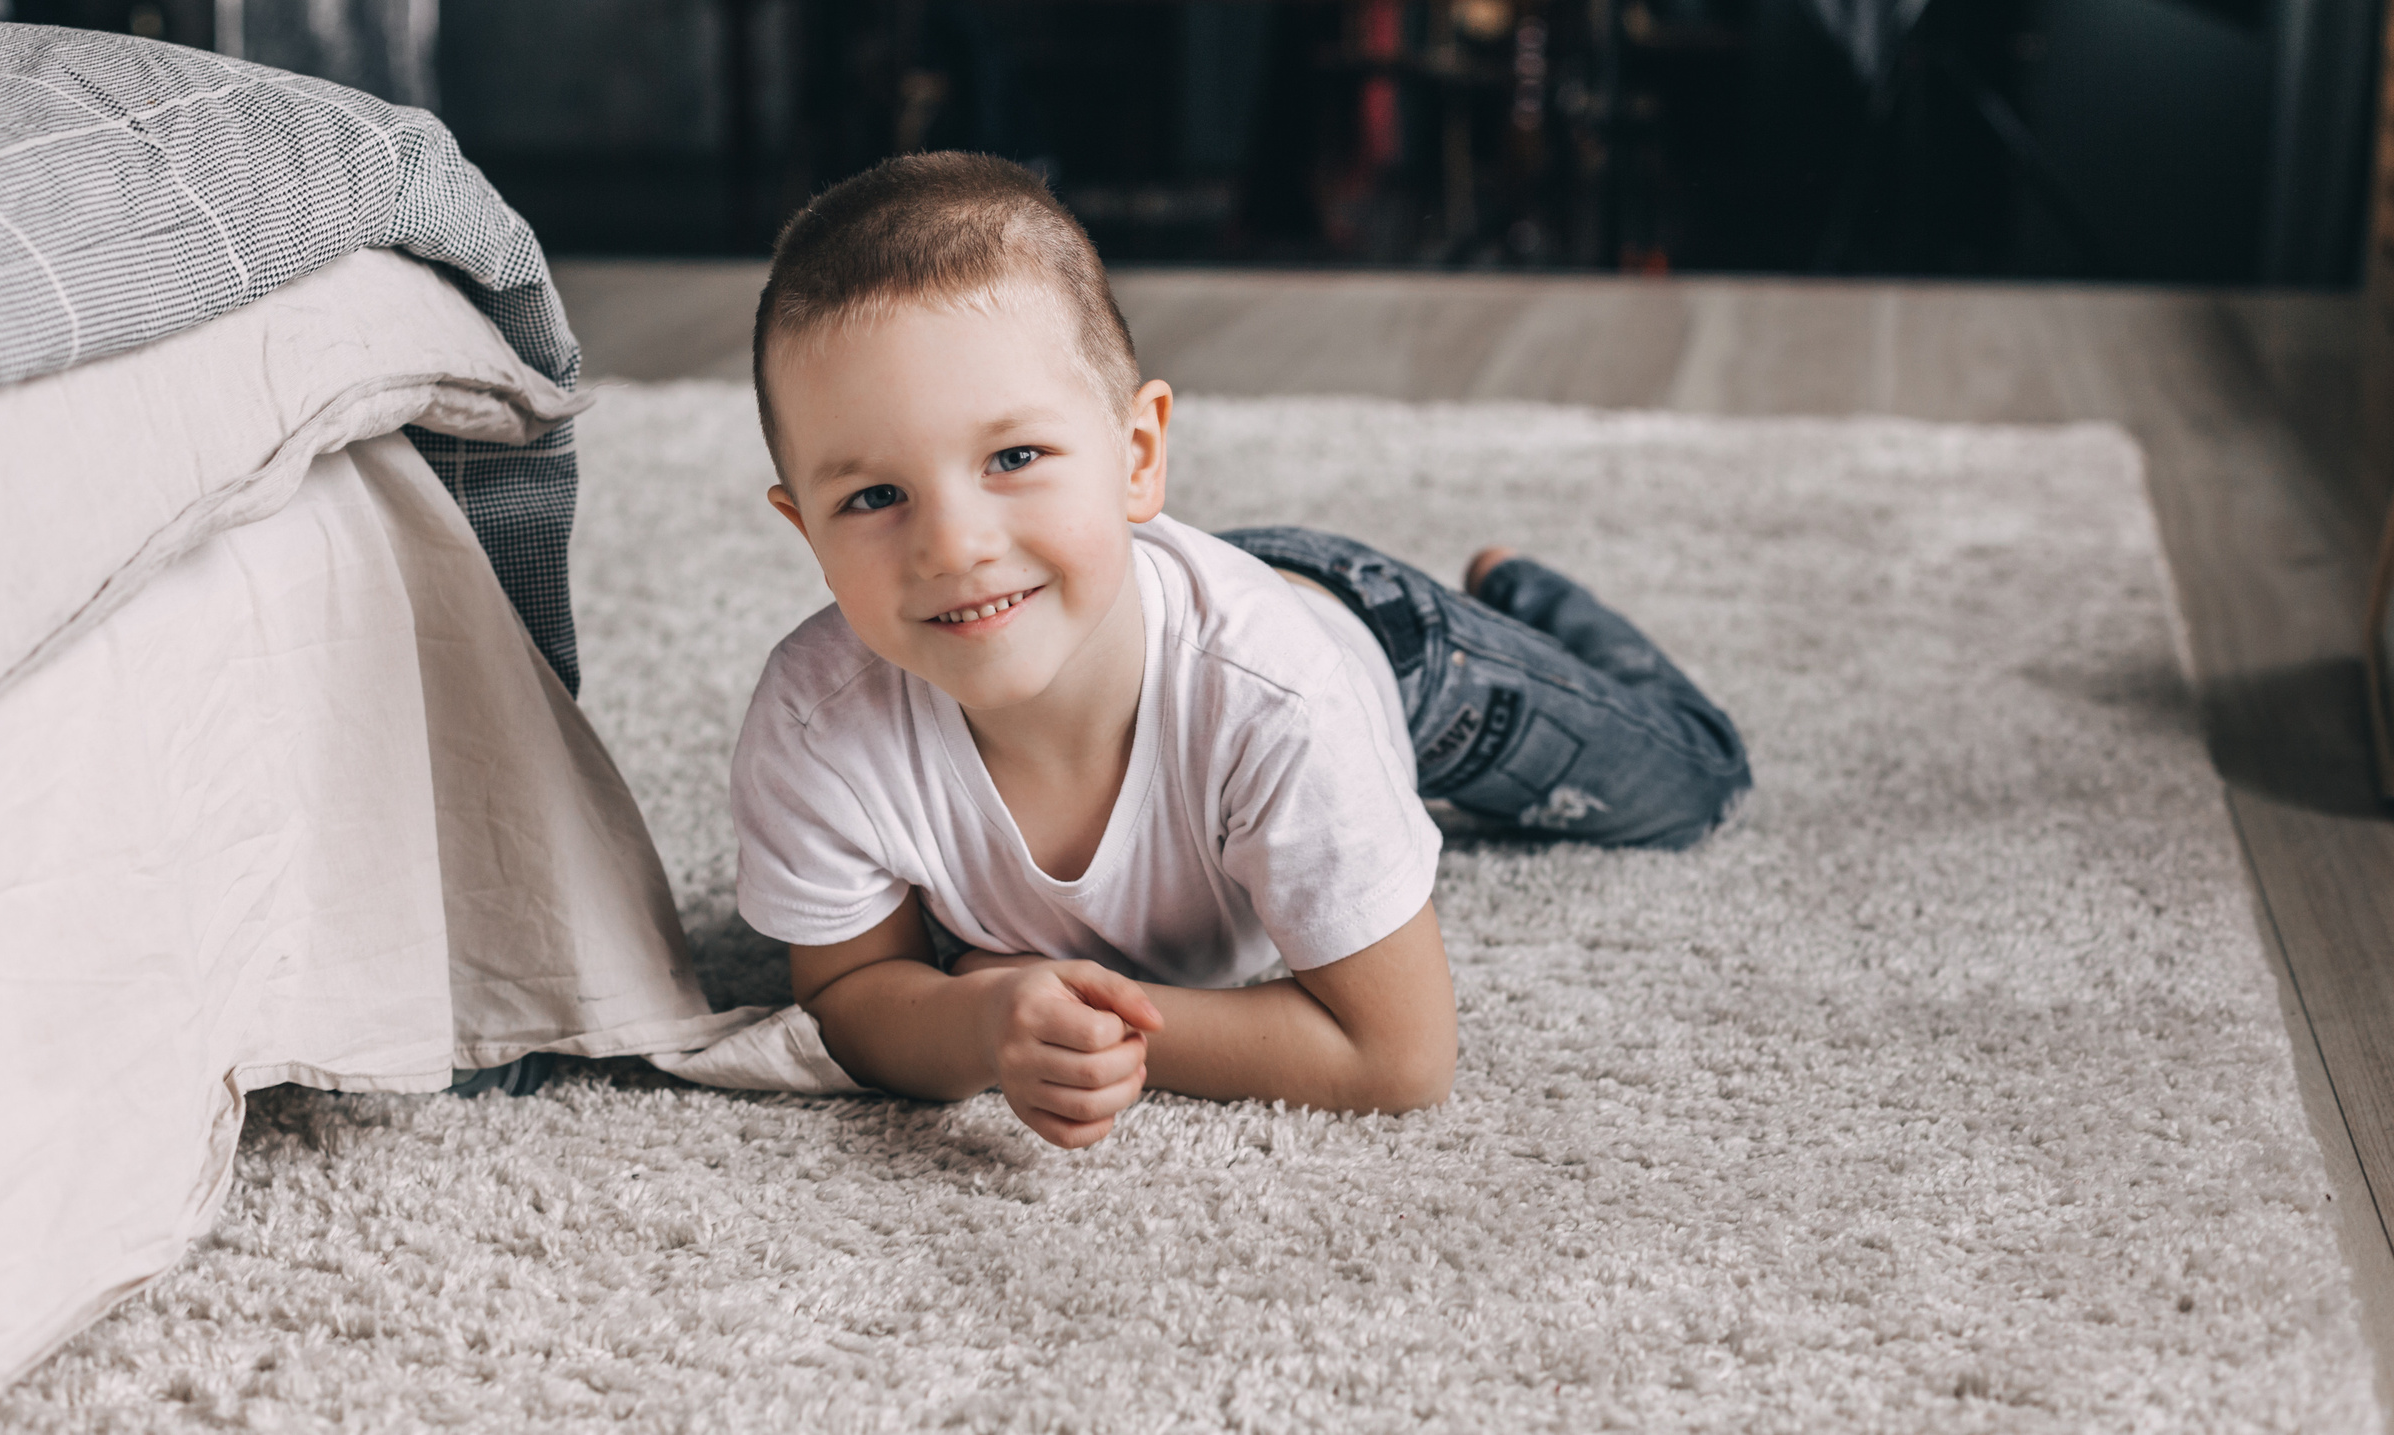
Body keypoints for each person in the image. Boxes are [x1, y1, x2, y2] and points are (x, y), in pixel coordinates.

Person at [731, 152, 1750, 1149]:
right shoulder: (816, 723)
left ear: (1137, 458)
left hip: (1386, 649)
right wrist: (986, 1026)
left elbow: (1398, 1058)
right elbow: (849, 994)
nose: (953, 546)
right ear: (805, 530)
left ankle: (1528, 598)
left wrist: (1119, 1028)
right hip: (1124, 586)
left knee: (1694, 782)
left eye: (1014, 457)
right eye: (872, 497)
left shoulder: (1280, 699)